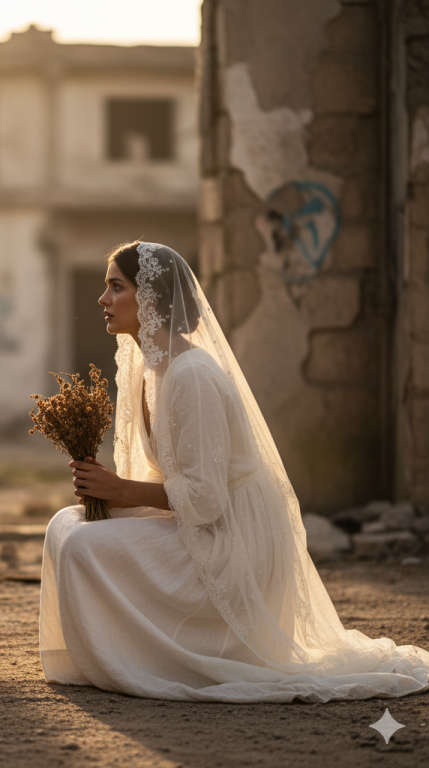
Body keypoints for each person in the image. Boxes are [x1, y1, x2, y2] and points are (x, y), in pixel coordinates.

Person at [39, 240, 429, 703]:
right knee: (65, 524)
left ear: (153, 300)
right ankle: (102, 656)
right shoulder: (146, 369)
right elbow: (167, 476)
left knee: (82, 545)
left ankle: (130, 660)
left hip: (233, 539)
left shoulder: (192, 376)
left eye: (116, 287)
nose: (102, 299)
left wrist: (122, 491)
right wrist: (107, 489)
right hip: (199, 519)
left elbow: (206, 499)